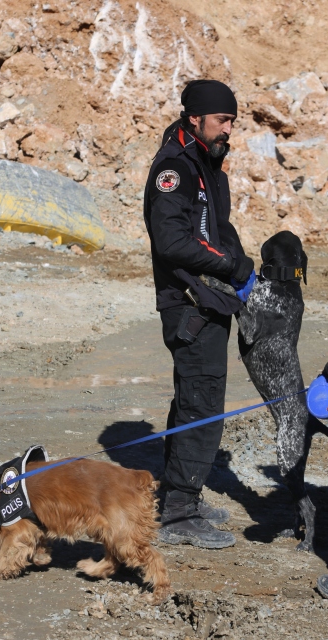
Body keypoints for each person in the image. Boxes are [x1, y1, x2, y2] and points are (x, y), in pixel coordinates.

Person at [143, 79, 255, 548]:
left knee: (192, 398)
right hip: (188, 304)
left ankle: (179, 494)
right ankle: (179, 514)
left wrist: (240, 265)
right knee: (203, 404)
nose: (229, 128)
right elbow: (171, 241)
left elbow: (215, 229)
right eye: (222, 120)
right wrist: (229, 266)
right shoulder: (174, 167)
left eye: (232, 121)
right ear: (196, 118)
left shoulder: (205, 162)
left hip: (209, 298)